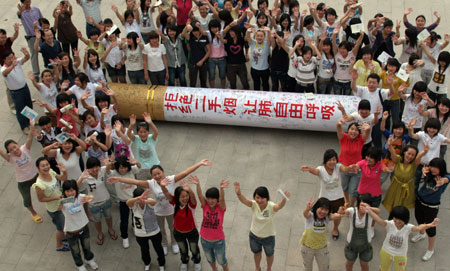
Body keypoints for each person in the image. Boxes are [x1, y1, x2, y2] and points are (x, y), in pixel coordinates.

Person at [107, 159, 213, 255]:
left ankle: (174, 243)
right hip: (158, 211)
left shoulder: (171, 179)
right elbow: (136, 181)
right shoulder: (151, 183)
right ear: (152, 176)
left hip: (172, 210)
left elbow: (186, 172)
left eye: (159, 173)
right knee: (161, 230)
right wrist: (119, 179)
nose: (157, 176)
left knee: (173, 228)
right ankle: (164, 244)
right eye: (154, 175)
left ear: (163, 172)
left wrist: (199, 163)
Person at [234, 182, 290, 271]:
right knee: (256, 253)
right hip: (254, 236)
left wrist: (283, 200)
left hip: (268, 237)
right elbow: (244, 201)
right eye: (257, 197)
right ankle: (257, 268)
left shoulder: (271, 206)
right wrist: (239, 193)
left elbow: (279, 206)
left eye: (262, 198)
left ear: (267, 198)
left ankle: (269, 268)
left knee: (269, 254)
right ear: (254, 197)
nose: (259, 200)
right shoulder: (254, 204)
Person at [301, 149, 354, 240]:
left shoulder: (338, 167)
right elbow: (315, 171)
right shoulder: (321, 169)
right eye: (329, 160)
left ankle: (335, 229)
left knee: (337, 215)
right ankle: (320, 227)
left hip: (338, 197)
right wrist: (309, 169)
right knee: (321, 214)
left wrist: (350, 168)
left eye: (334, 159)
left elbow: (345, 169)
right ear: (325, 161)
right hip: (324, 198)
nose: (332, 162)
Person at [365, 205, 439, 269]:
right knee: (383, 268)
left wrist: (428, 225)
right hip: (386, 251)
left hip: (400, 255)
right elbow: (378, 220)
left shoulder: (408, 227)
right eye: (395, 218)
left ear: (405, 219)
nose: (397, 221)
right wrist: (369, 211)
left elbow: (418, 228)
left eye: (400, 219)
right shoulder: (390, 224)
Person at [0, 123, 41, 223]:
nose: (15, 150)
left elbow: (30, 136)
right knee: (27, 199)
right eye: (11, 149)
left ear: (17, 145)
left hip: (35, 176)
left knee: (46, 190)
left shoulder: (25, 148)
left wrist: (31, 125)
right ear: (9, 152)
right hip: (23, 181)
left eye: (15, 147)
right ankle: (34, 213)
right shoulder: (10, 158)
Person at [411, 158, 449, 261]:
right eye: (431, 166)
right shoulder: (428, 172)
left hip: (431, 206)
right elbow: (424, 169)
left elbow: (447, 179)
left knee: (431, 228)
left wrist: (442, 181)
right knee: (419, 219)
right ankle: (421, 234)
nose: (432, 169)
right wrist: (424, 172)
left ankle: (430, 249)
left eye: (435, 167)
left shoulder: (445, 177)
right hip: (419, 200)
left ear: (440, 168)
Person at [159, 178, 201, 271]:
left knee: (194, 249)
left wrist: (189, 190)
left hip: (192, 232)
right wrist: (162, 186)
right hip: (178, 233)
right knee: (183, 250)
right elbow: (167, 193)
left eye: (186, 196)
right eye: (182, 197)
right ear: (177, 198)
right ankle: (184, 261)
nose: (185, 198)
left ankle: (197, 261)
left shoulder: (191, 205)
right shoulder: (174, 203)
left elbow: (193, 197)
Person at [58, 180, 99, 271]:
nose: (70, 193)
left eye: (72, 190)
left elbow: (90, 197)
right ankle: (79, 264)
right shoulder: (64, 202)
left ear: (76, 190)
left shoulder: (80, 197)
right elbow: (59, 208)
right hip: (71, 232)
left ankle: (89, 259)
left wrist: (89, 197)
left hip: (84, 228)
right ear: (64, 192)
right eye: (67, 191)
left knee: (87, 246)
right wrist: (61, 202)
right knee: (75, 250)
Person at [192, 177, 230, 271]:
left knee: (222, 261)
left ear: (217, 199)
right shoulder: (205, 206)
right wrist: (197, 184)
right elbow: (200, 196)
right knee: (210, 260)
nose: (210, 200)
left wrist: (221, 189)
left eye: (213, 198)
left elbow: (222, 199)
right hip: (205, 240)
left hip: (219, 242)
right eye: (208, 198)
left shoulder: (221, 207)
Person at [77, 157, 117, 246]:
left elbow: (108, 169)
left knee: (108, 216)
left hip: (105, 199)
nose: (95, 169)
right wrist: (81, 178)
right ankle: (99, 233)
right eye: (92, 167)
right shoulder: (85, 176)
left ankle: (110, 229)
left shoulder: (102, 171)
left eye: (96, 166)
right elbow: (76, 187)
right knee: (97, 220)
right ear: (88, 168)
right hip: (93, 204)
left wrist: (109, 164)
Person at [33, 157, 69, 251]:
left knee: (63, 224)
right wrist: (56, 198)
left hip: (61, 203)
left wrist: (64, 172)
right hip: (54, 208)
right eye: (43, 166)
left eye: (47, 164)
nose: (46, 167)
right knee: (60, 227)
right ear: (38, 168)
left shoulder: (51, 172)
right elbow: (41, 199)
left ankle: (63, 238)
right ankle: (59, 245)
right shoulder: (39, 184)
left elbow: (62, 178)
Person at [351, 71, 394, 148]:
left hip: (377, 120)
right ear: (366, 82)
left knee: (376, 139)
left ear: (378, 84)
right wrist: (354, 79)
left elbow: (391, 92)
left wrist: (390, 84)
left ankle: (377, 156)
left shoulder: (381, 92)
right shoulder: (363, 90)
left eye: (374, 83)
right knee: (363, 139)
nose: (371, 84)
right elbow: (354, 87)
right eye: (370, 82)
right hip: (364, 119)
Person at [382, 140, 428, 212]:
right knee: (393, 205)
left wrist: (424, 152)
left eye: (413, 155)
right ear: (404, 152)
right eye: (409, 153)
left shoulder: (414, 164)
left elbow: (419, 156)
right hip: (396, 186)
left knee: (403, 208)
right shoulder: (398, 159)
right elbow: (393, 155)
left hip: (408, 187)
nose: (410, 156)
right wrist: (390, 146)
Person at [105, 156, 141, 248]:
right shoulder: (115, 173)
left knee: (135, 215)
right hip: (123, 201)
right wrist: (109, 165)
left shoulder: (131, 170)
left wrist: (136, 162)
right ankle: (124, 237)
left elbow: (139, 167)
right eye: (120, 167)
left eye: (124, 167)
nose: (123, 170)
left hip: (134, 199)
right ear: (117, 167)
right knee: (124, 220)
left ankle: (134, 227)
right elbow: (108, 172)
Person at [127, 187, 166, 271]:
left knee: (158, 248)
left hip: (154, 232)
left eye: (143, 197)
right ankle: (147, 263)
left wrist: (144, 200)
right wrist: (137, 199)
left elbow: (154, 202)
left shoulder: (149, 202)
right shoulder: (134, 205)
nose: (141, 200)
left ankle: (162, 264)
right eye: (138, 198)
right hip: (140, 234)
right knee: (144, 250)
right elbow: (128, 202)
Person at [338, 194, 380, 271]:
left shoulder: (370, 213)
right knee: (349, 263)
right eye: (361, 204)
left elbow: (378, 211)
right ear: (358, 204)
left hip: (366, 244)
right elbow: (343, 213)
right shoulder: (352, 211)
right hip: (351, 243)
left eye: (365, 205)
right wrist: (342, 211)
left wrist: (369, 208)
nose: (363, 207)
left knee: (364, 264)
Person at [300, 197, 342, 271]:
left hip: (322, 247)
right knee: (307, 268)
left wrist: (340, 213)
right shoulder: (311, 216)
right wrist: (307, 209)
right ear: (316, 208)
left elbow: (336, 216)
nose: (323, 212)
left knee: (324, 267)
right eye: (321, 208)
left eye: (326, 210)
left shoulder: (327, 217)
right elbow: (305, 214)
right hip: (307, 247)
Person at [336, 118, 370, 207]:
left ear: (359, 133)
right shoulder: (343, 138)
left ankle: (351, 205)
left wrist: (368, 129)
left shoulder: (360, 140)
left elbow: (366, 134)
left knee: (353, 190)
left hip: (356, 170)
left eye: (356, 130)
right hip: (344, 168)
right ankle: (346, 200)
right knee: (344, 187)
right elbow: (339, 128)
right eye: (352, 129)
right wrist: (339, 124)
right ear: (348, 130)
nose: (353, 132)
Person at [1, 49, 33, 134]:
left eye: (12, 57)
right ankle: (24, 126)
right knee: (20, 109)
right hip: (16, 92)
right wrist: (12, 66)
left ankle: (30, 121)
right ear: (4, 60)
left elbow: (26, 59)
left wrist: (26, 54)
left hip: (24, 87)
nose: (12, 60)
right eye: (9, 58)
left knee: (28, 104)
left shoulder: (17, 61)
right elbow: (5, 73)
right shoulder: (4, 68)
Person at [127, 113, 160, 180]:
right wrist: (131, 125)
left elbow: (156, 132)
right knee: (143, 185)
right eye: (140, 132)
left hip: (154, 166)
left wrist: (150, 122)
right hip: (141, 168)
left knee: (156, 184)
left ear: (148, 132)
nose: (143, 134)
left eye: (145, 132)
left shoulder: (151, 138)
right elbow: (128, 133)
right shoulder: (136, 139)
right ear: (137, 132)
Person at [17, 0, 43, 80]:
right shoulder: (22, 13)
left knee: (45, 50)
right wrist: (20, 11)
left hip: (40, 34)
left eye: (29, 1)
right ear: (22, 3)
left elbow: (42, 19)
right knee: (34, 55)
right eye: (25, 2)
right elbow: (19, 14)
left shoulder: (36, 9)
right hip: (31, 37)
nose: (28, 3)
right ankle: (36, 73)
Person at [182, 23, 210, 88]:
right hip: (193, 62)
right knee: (192, 82)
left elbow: (209, 51)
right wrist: (187, 26)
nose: (196, 32)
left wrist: (202, 61)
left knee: (203, 81)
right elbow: (183, 34)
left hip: (203, 63)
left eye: (197, 30)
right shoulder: (190, 37)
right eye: (194, 31)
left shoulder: (204, 37)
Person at [223, 23, 250, 90]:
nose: (231, 33)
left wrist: (247, 30)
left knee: (245, 83)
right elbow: (222, 39)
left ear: (236, 32)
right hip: (230, 65)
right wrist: (219, 36)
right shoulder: (228, 40)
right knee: (232, 84)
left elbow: (246, 39)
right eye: (230, 31)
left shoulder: (241, 39)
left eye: (232, 31)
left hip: (241, 64)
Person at [245, 27, 273, 91]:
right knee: (256, 84)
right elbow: (248, 37)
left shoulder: (267, 44)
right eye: (258, 36)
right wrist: (248, 31)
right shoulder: (253, 43)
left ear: (264, 37)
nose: (259, 37)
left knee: (265, 84)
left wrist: (268, 31)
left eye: (261, 36)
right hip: (254, 69)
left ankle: (265, 98)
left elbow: (269, 38)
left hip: (265, 69)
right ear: (255, 37)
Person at [0, 25, 19, 114]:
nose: (3, 39)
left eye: (4, 37)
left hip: (14, 64)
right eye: (1, 38)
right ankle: (12, 106)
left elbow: (14, 37)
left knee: (19, 80)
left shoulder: (7, 41)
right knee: (9, 87)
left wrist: (16, 31)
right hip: (6, 68)